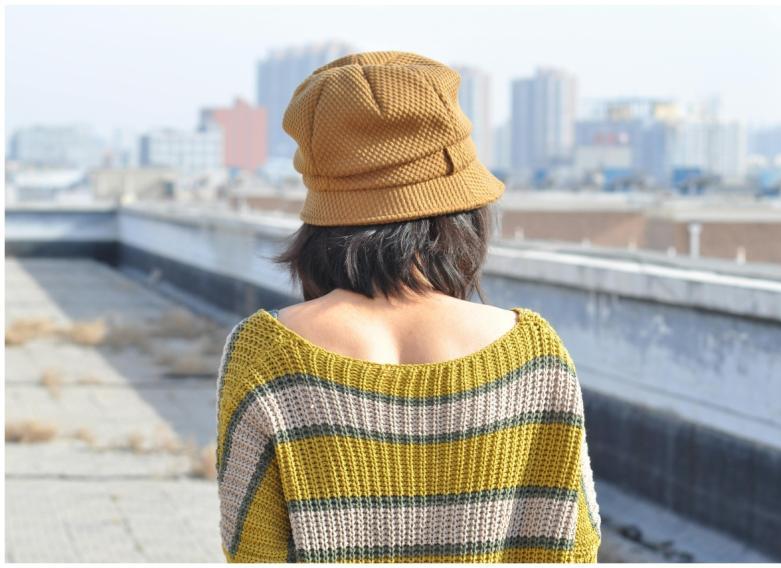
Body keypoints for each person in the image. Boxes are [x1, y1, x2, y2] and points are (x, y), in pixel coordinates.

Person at [216, 50, 601, 563]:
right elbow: (577, 547)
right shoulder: (536, 356)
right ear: (463, 213)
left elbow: (251, 552)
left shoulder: (265, 355)